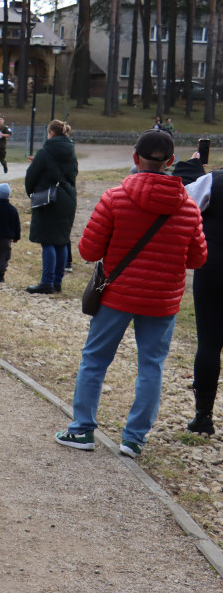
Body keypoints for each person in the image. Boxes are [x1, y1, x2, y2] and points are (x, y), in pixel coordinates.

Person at [55, 130, 206, 457]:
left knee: (95, 360)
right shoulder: (189, 208)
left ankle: (81, 430)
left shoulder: (114, 198)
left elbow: (88, 250)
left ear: (135, 157)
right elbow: (197, 258)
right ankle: (134, 439)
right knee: (151, 366)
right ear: (169, 162)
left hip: (116, 296)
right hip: (162, 301)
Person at [184, 155, 222, 435]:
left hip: (214, 269)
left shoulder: (213, 181)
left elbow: (184, 205)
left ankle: (203, 416)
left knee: (209, 343)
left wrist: (193, 171)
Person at [24, 120, 78, 294]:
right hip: (68, 197)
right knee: (61, 240)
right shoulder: (72, 152)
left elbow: (31, 177)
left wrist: (32, 193)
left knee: (47, 240)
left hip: (49, 198)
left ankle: (46, 282)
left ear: (51, 134)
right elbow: (73, 174)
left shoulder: (45, 152)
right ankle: (57, 282)